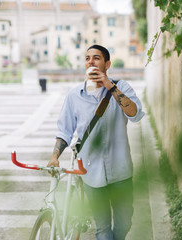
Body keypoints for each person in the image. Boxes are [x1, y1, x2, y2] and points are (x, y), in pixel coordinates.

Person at [47, 45, 144, 240]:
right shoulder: (74, 95)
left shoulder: (121, 87)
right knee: (102, 229)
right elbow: (65, 131)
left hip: (121, 171)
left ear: (107, 64)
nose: (90, 61)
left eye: (96, 58)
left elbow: (134, 114)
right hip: (91, 173)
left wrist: (110, 86)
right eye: (87, 58)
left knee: (124, 223)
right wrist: (54, 156)